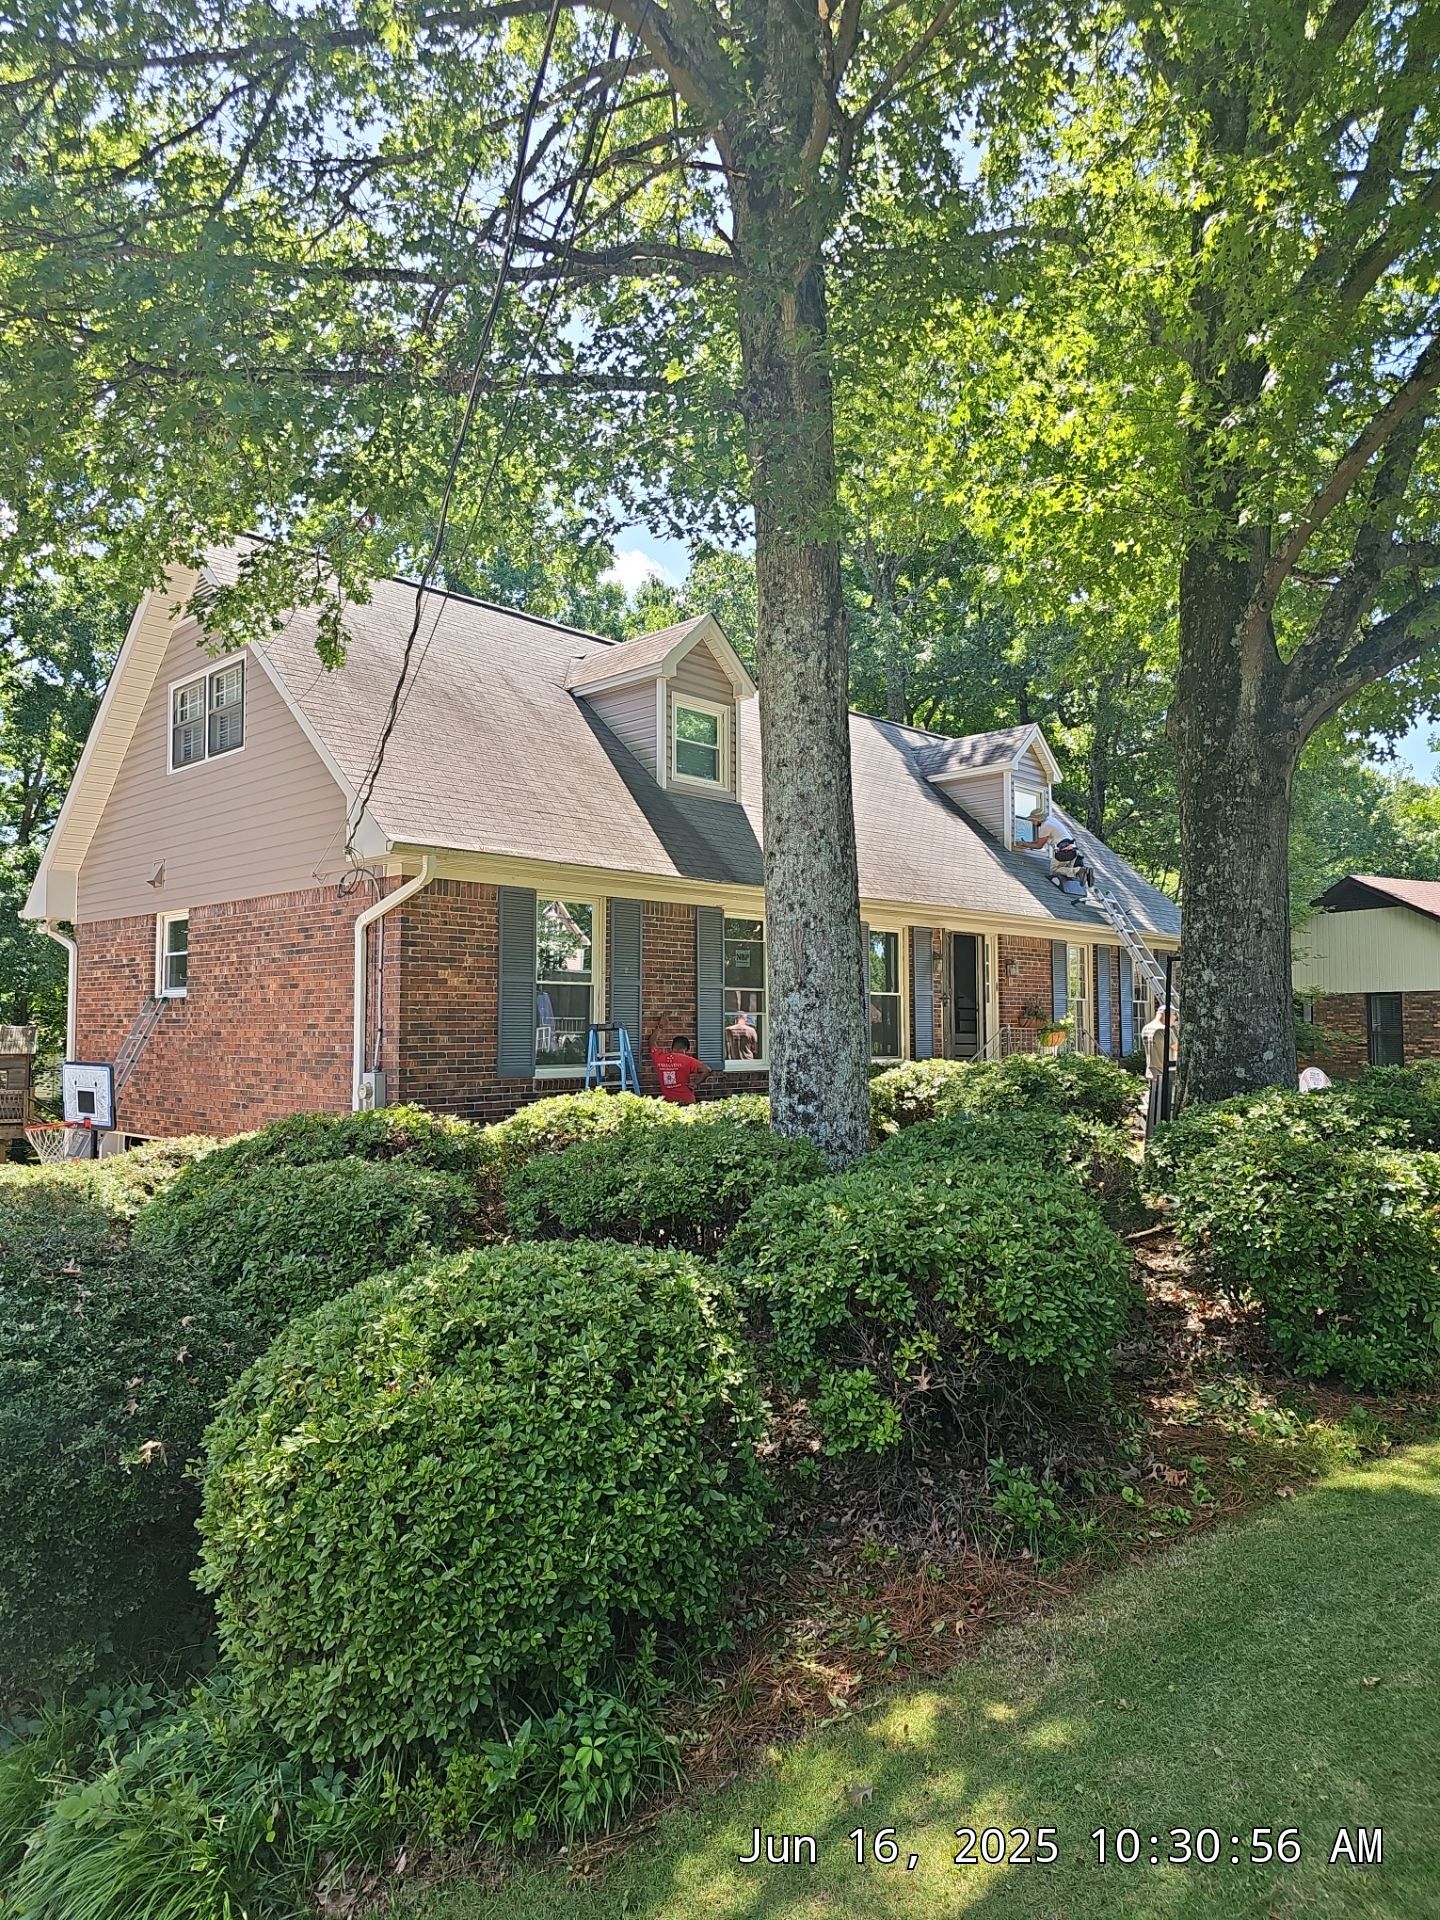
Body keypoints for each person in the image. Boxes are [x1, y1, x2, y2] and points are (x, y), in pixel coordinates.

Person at [1029, 807, 1093, 891]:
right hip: (1072, 849)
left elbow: (1039, 845)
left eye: (1033, 821)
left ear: (1039, 819)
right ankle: (1084, 873)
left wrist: (1023, 844)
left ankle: (1079, 870)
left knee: (1055, 871)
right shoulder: (1051, 820)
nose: (1032, 823)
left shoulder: (1045, 826)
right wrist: (1029, 843)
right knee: (1068, 873)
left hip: (1062, 851)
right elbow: (1040, 841)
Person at [1141, 1003, 1177, 1133]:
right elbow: (1176, 1048)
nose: (1175, 1019)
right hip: (1165, 1072)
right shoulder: (1165, 1030)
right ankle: (1161, 1131)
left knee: (1153, 1105)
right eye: (1174, 1016)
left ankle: (1151, 1130)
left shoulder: (1146, 1028)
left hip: (1151, 1071)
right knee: (1165, 1106)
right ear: (1166, 1015)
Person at [649, 1033, 709, 1105]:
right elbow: (707, 1070)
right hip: (687, 1101)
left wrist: (660, 1026)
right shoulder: (688, 1060)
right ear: (685, 1049)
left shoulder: (659, 1058)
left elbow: (652, 1042)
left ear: (672, 1047)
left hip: (669, 1103)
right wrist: (695, 1083)